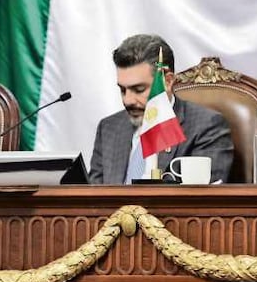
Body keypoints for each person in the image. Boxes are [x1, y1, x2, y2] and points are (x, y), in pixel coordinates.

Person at [88, 34, 233, 185]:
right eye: (123, 90)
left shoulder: (206, 126)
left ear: (168, 81)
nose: (127, 100)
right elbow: (92, 195)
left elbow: (200, 195)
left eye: (139, 89)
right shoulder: (109, 128)